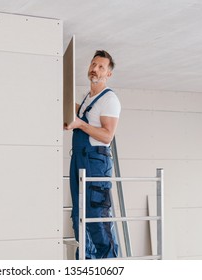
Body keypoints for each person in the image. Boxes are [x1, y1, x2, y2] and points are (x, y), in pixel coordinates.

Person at [65, 50, 121, 259]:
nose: (95, 69)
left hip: (96, 161)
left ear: (108, 74)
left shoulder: (110, 100)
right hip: (79, 159)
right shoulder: (87, 97)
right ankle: (86, 264)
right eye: (93, 64)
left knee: (96, 218)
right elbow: (78, 117)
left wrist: (80, 123)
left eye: (101, 67)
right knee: (79, 215)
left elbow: (107, 136)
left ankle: (111, 265)